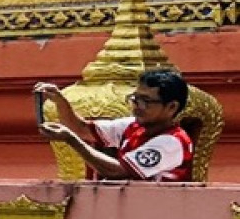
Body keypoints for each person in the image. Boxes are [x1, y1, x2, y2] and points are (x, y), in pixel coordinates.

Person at [38, 70, 196, 180]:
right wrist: (60, 101)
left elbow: (118, 171)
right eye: (135, 99)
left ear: (171, 107)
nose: (137, 106)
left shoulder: (172, 141)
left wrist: (72, 141)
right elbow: (82, 129)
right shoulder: (132, 126)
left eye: (146, 101)